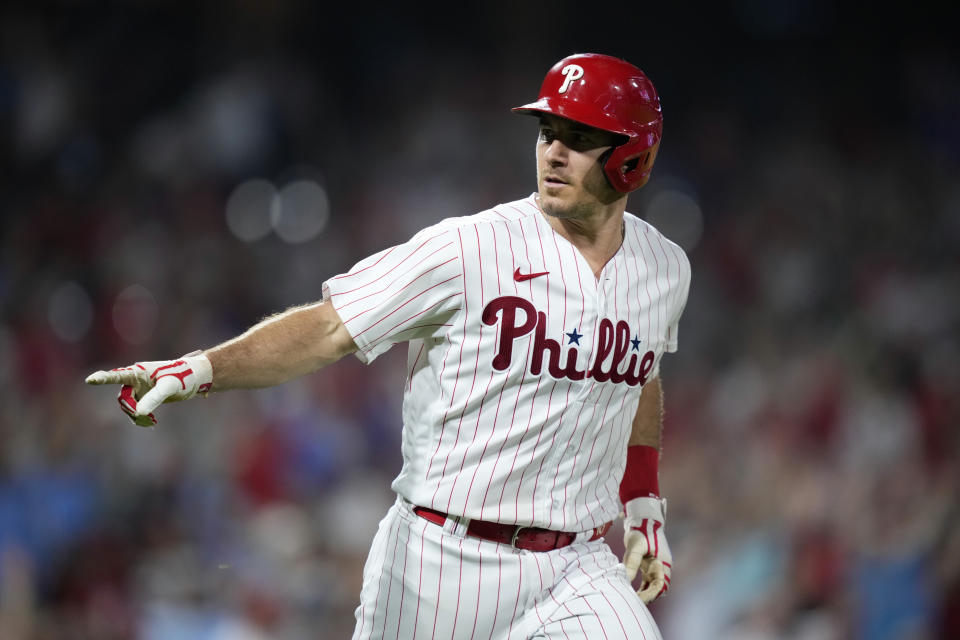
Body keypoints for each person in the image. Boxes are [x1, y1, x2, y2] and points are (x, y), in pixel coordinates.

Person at [86, 52, 691, 639]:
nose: (553, 151)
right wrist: (199, 368)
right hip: (439, 562)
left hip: (576, 570)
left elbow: (639, 375)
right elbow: (327, 328)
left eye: (580, 137)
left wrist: (642, 502)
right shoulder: (469, 249)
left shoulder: (664, 269)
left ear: (635, 158)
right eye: (547, 131)